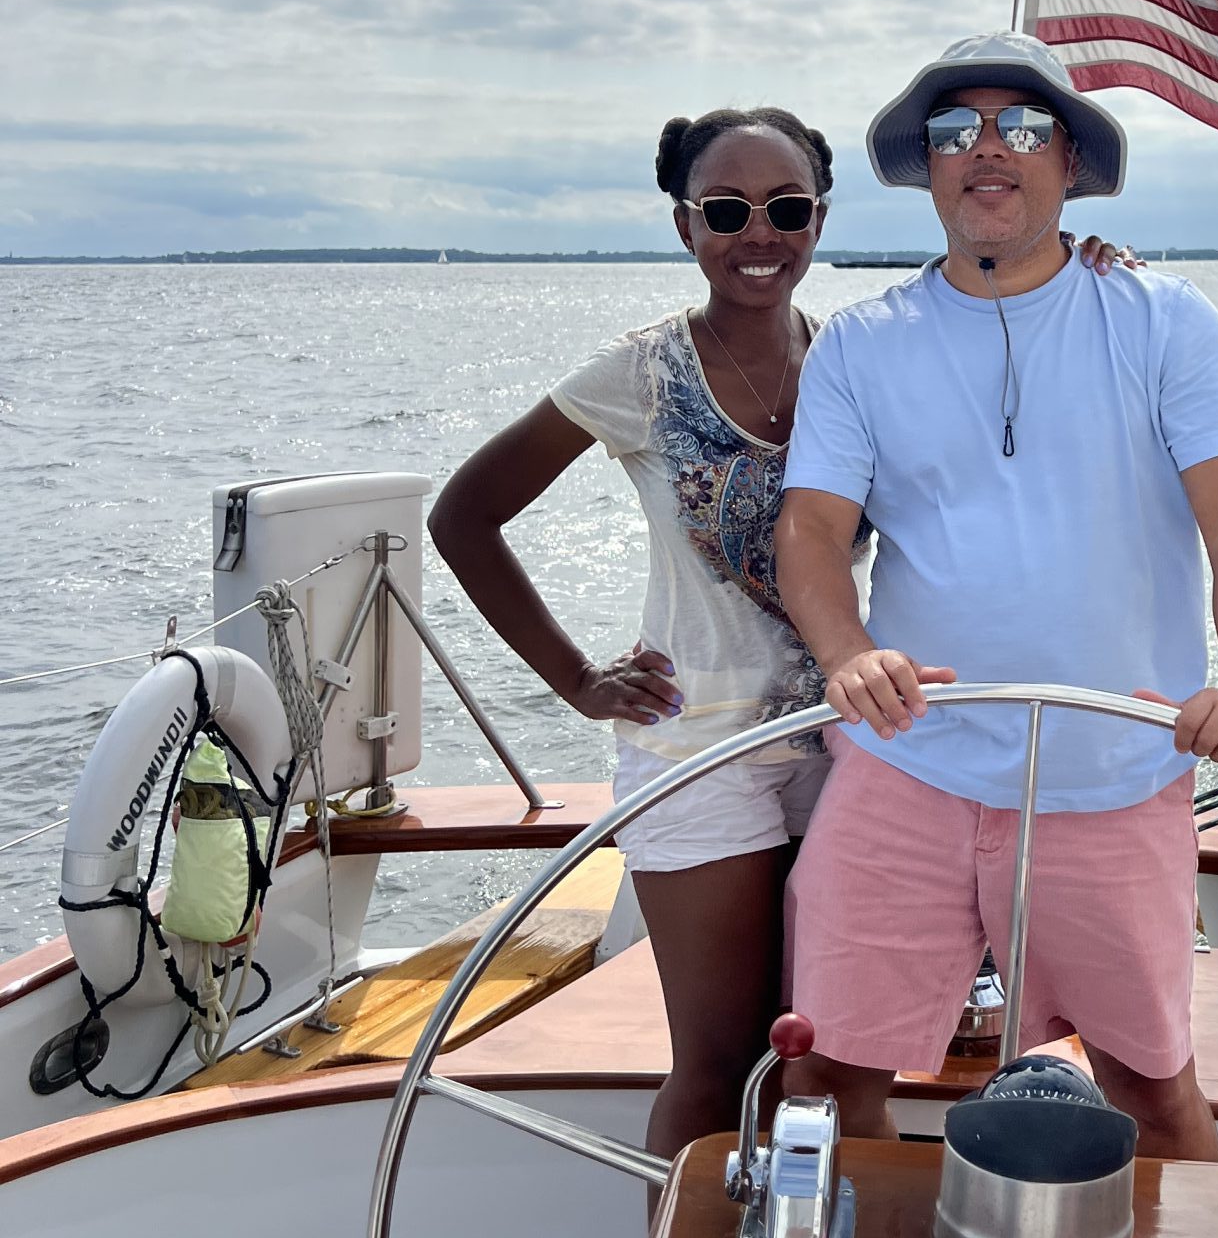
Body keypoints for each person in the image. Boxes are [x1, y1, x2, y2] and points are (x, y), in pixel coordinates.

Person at [430, 99, 1136, 1160]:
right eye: (725, 210)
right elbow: (464, 516)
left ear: (819, 219)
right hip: (699, 752)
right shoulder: (640, 373)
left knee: (821, 1058)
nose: (757, 233)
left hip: (851, 748)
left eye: (786, 207)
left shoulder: (859, 356)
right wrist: (577, 678)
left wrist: (1087, 269)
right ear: (685, 225)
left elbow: (1010, 340)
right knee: (720, 1064)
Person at [773, 32, 1218, 1161]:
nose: (987, 149)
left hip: (1114, 773)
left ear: (1069, 160)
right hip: (909, 760)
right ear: (928, 167)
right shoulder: (859, 344)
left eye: (1021, 127)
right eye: (955, 131)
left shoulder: (1165, 319)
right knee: (824, 1076)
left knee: (1150, 1086)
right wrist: (847, 651)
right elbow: (810, 528)